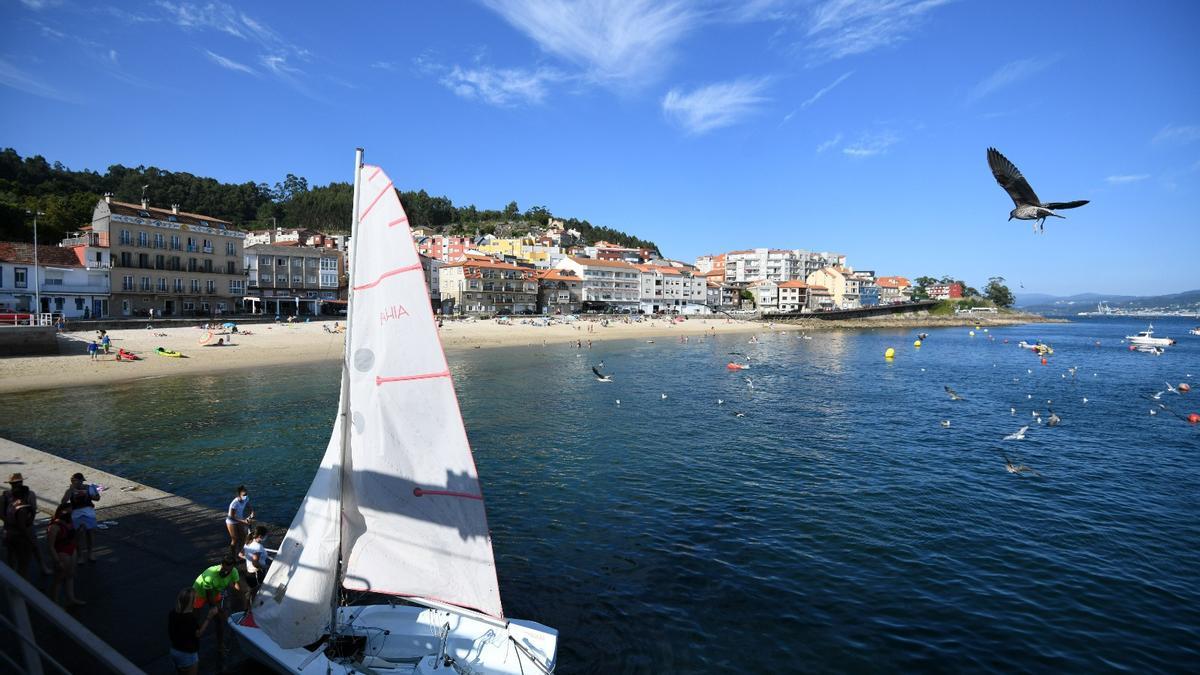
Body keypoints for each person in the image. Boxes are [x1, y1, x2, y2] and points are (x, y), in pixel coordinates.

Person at [2, 473, 51, 577]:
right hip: (21, 528)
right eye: (16, 483)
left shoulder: (25, 494)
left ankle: (41, 566)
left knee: (28, 548)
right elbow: (32, 510)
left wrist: (10, 522)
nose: (18, 484)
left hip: (11, 529)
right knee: (26, 551)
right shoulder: (7, 495)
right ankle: (20, 576)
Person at [193, 555, 242, 654]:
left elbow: (237, 587)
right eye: (224, 569)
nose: (226, 572)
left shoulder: (233, 571)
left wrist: (244, 596)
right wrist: (215, 608)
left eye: (229, 570)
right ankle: (193, 640)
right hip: (200, 593)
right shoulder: (210, 574)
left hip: (215, 592)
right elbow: (209, 596)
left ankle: (220, 645)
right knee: (195, 618)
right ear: (221, 565)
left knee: (219, 620)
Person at [168, 587, 217, 675]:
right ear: (192, 602)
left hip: (174, 650)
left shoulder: (172, 613)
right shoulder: (190, 618)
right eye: (195, 598)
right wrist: (209, 617)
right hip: (187, 653)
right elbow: (198, 634)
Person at [47, 503, 85, 606]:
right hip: (62, 552)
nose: (71, 513)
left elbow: (75, 540)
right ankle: (54, 602)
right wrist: (57, 561)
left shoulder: (71, 522)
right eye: (69, 511)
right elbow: (50, 546)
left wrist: (80, 531)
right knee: (58, 579)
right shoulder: (54, 526)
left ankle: (71, 598)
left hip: (71, 549)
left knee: (70, 575)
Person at [62, 472, 100, 563]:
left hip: (88, 512)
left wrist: (89, 494)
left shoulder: (89, 488)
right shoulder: (70, 490)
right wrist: (70, 491)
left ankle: (90, 553)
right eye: (73, 481)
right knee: (78, 534)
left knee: (90, 533)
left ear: (81, 481)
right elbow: (63, 502)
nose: (77, 483)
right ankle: (80, 555)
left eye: (78, 481)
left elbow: (97, 498)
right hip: (76, 513)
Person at [239, 525, 271, 602]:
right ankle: (252, 609)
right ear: (260, 536)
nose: (266, 537)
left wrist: (249, 558)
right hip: (257, 573)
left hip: (249, 572)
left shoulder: (248, 542)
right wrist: (266, 567)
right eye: (265, 535)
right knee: (256, 593)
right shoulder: (258, 547)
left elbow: (240, 554)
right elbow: (255, 563)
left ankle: (248, 608)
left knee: (251, 592)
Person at [225, 485, 254, 555]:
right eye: (244, 495)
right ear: (239, 495)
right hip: (231, 521)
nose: (246, 496)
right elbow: (231, 516)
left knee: (243, 537)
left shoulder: (246, 499)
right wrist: (243, 521)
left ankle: (241, 553)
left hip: (239, 520)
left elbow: (248, 506)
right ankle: (232, 555)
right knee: (235, 539)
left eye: (246, 494)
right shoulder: (234, 503)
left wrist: (252, 512)